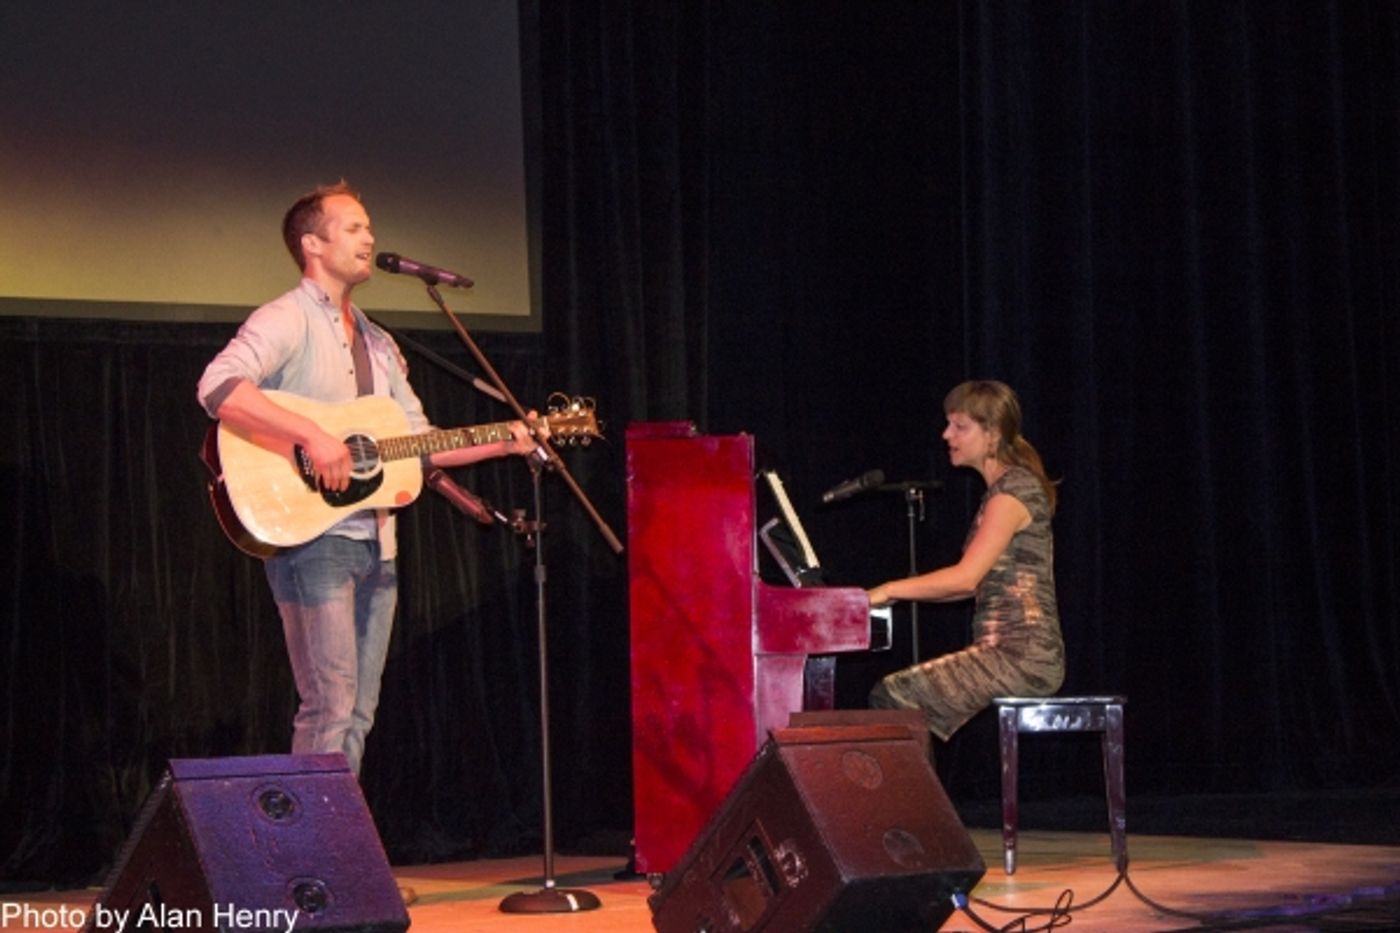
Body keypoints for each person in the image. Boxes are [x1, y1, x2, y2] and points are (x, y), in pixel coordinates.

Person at [197, 181, 539, 776]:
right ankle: (313, 835)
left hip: (378, 543)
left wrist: (505, 439)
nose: (369, 238)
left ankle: (336, 828)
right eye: (353, 227)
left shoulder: (378, 342)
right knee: (329, 707)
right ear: (312, 244)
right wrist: (311, 435)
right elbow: (218, 387)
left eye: (370, 227)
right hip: (315, 541)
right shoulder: (287, 318)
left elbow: (421, 444)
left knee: (358, 713)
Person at [867, 380, 1064, 740]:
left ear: (992, 434)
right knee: (899, 696)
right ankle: (917, 780)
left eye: (959, 426)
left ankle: (915, 782)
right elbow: (966, 588)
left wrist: (887, 590)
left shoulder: (1013, 492)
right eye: (948, 424)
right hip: (1007, 651)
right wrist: (894, 598)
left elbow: (965, 579)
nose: (946, 434)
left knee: (896, 695)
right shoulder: (1002, 491)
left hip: (1023, 655)